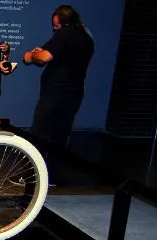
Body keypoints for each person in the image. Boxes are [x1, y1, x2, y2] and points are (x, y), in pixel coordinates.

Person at [23, 5, 93, 182]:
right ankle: (53, 178)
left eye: (56, 25)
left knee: (38, 134)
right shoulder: (87, 37)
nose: (54, 28)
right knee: (60, 137)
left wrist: (31, 56)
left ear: (64, 22)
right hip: (75, 94)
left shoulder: (64, 34)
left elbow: (44, 58)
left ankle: (30, 176)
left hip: (55, 93)